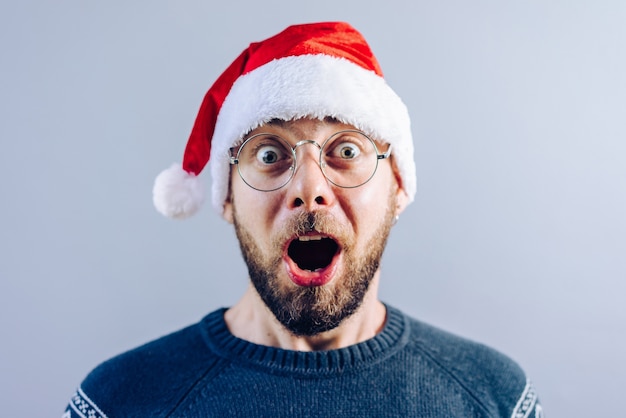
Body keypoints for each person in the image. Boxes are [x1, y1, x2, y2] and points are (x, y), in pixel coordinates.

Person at [64, 22, 542, 417]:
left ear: (397, 187)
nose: (309, 190)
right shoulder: (118, 402)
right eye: (269, 153)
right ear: (226, 196)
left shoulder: (495, 398)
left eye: (347, 150)